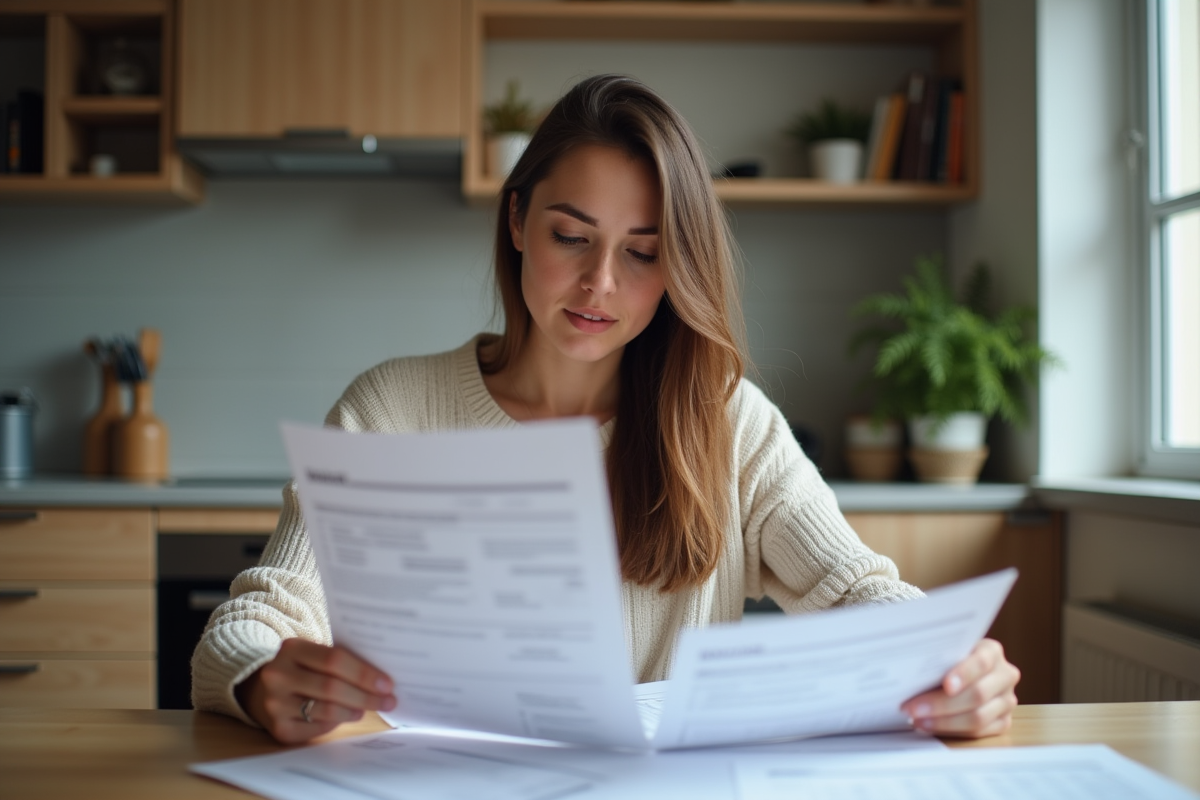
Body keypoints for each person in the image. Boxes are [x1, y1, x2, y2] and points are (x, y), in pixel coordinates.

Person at [192, 74, 1020, 745]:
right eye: (571, 236)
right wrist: (264, 677)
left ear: (677, 267)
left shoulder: (727, 420)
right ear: (518, 219)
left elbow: (857, 591)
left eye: (643, 253)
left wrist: (953, 665)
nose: (601, 285)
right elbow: (257, 615)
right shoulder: (392, 408)